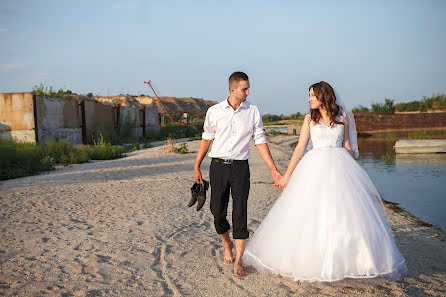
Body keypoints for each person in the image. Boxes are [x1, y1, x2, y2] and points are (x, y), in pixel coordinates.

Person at [242, 81, 408, 282]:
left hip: (340, 167)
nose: (309, 98)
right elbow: (299, 149)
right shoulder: (309, 119)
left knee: (345, 214)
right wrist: (286, 177)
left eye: (312, 95)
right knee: (313, 213)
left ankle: (350, 262)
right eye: (309, 95)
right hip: (314, 166)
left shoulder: (342, 117)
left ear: (323, 96)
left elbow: (347, 145)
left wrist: (351, 163)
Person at [194, 71, 283, 277]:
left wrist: (273, 169)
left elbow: (260, 140)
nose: (248, 92)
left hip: (241, 168)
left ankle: (239, 260)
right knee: (217, 212)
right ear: (232, 90)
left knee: (240, 212)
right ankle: (227, 244)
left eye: (248, 88)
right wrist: (197, 165)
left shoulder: (252, 111)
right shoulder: (214, 111)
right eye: (244, 89)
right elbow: (206, 139)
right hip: (218, 167)